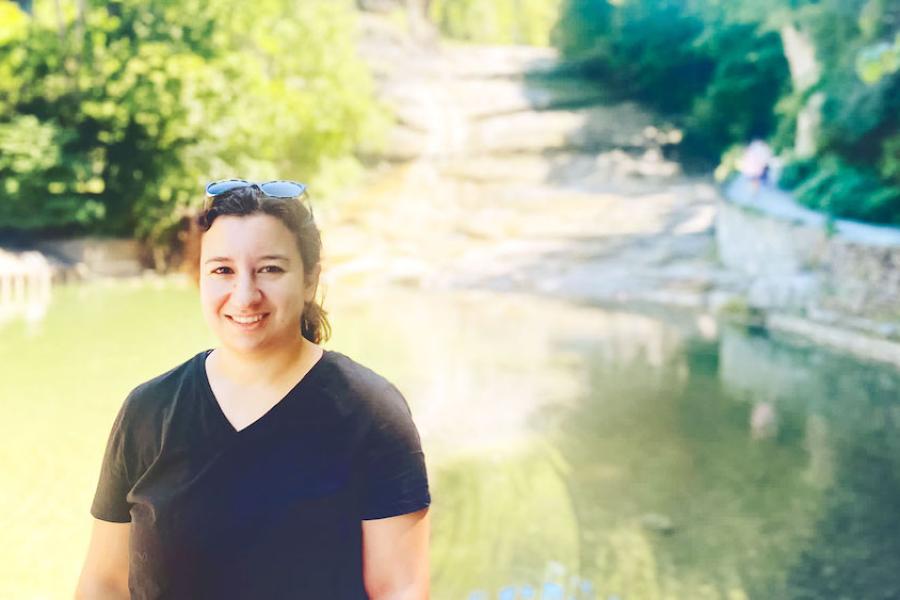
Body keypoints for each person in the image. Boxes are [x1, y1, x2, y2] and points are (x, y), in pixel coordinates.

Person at [75, 180, 431, 599]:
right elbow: (104, 583)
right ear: (199, 277)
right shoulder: (149, 411)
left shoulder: (370, 411)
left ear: (310, 279)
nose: (244, 295)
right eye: (223, 270)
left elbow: (400, 589)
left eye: (270, 269)